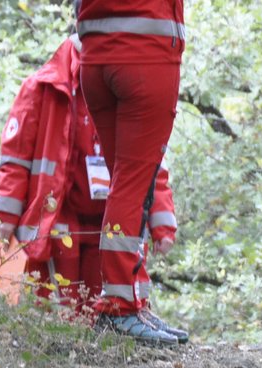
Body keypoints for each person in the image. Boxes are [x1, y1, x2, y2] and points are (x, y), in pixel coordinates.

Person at [0, 34, 184, 344]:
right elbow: (15, 159)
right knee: (60, 309)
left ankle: (102, 356)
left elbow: (149, 161)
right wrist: (6, 216)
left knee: (104, 307)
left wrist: (162, 223)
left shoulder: (126, 89)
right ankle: (61, 358)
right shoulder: (41, 89)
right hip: (59, 218)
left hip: (109, 223)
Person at [75, 0, 187, 345]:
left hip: (95, 61)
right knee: (133, 186)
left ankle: (133, 301)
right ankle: (121, 307)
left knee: (124, 184)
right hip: (146, 60)